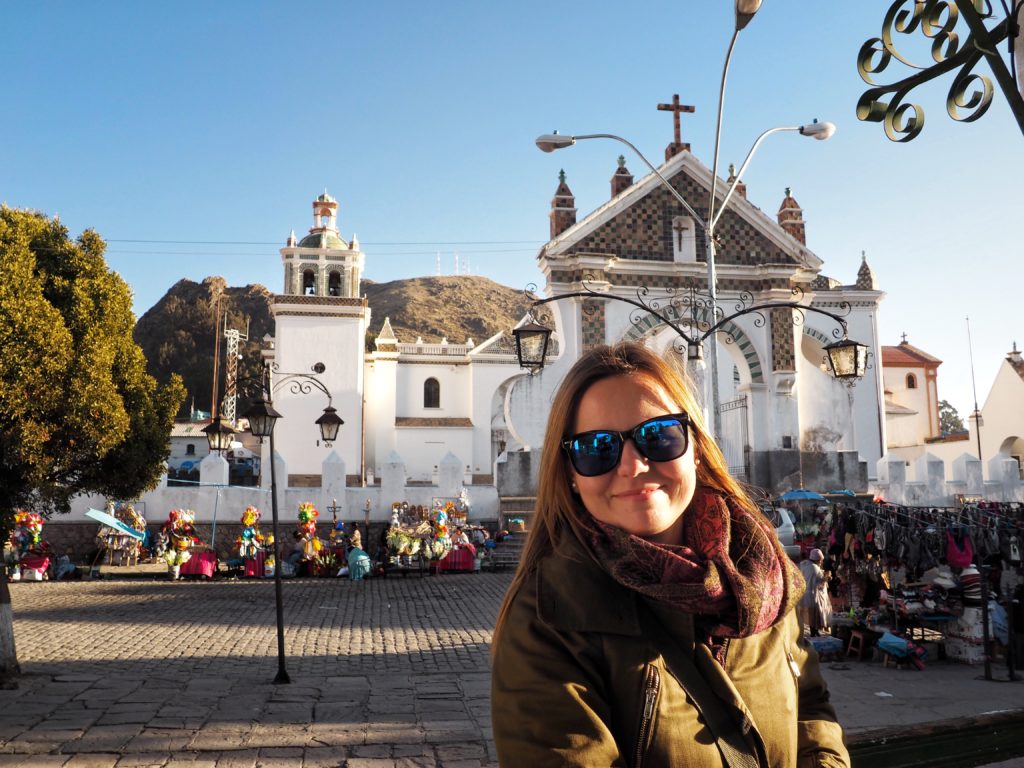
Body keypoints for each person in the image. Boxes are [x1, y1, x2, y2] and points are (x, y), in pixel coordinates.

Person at [491, 343, 849, 766]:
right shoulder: (549, 619)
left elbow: (811, 709)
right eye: (597, 448)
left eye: (658, 436)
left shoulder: (762, 574)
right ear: (569, 473)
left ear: (694, 446)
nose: (633, 466)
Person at [800, 548, 833, 637]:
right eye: (821, 560)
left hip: (805, 594)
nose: (821, 562)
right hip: (813, 594)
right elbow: (819, 582)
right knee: (814, 615)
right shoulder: (814, 568)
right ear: (818, 559)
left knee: (810, 614)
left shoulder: (804, 565)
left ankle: (814, 632)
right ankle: (814, 632)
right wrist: (827, 578)